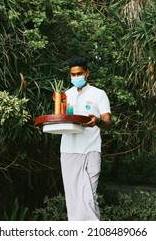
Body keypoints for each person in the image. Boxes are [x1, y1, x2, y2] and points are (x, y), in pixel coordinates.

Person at [60, 56, 112, 221]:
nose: (76, 78)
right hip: (68, 151)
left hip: (91, 150)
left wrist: (96, 121)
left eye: (79, 74)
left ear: (87, 73)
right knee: (73, 197)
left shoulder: (98, 94)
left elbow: (108, 123)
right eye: (73, 75)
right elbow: (60, 120)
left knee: (89, 197)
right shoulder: (65, 95)